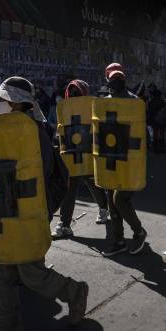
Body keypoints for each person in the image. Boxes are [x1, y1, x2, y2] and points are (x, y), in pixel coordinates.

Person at [0, 76, 89, 331]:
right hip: (1, 208)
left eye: (2, 100)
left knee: (31, 272)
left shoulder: (33, 132)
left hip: (27, 209)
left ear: (18, 104)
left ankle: (75, 292)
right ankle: (8, 327)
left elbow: (39, 176)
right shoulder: (1, 127)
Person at [100, 63, 148, 257]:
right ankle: (118, 240)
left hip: (129, 160)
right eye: (112, 78)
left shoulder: (135, 101)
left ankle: (139, 231)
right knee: (112, 204)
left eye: (118, 78)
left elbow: (140, 133)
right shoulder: (104, 103)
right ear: (107, 80)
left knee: (120, 199)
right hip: (111, 158)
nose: (115, 81)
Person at [53, 79, 110, 239]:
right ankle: (64, 224)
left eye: (76, 91)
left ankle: (103, 210)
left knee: (90, 184)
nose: (74, 95)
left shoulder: (90, 105)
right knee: (72, 189)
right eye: (72, 92)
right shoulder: (70, 107)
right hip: (74, 154)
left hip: (84, 153)